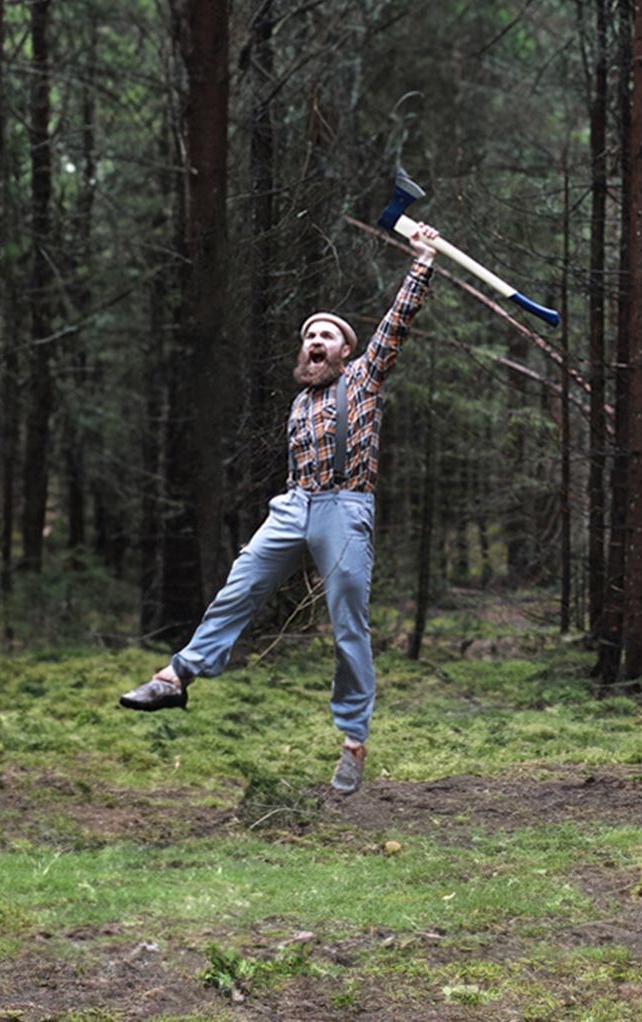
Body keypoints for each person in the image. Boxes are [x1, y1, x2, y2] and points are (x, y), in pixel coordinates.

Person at [120, 224, 441, 794]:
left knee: (348, 625)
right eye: (310, 335)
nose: (315, 341)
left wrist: (421, 261)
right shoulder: (299, 400)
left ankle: (353, 741)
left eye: (327, 336)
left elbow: (396, 326)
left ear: (346, 351)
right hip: (293, 507)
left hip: (345, 509)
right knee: (238, 588)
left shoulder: (364, 381)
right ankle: (176, 676)